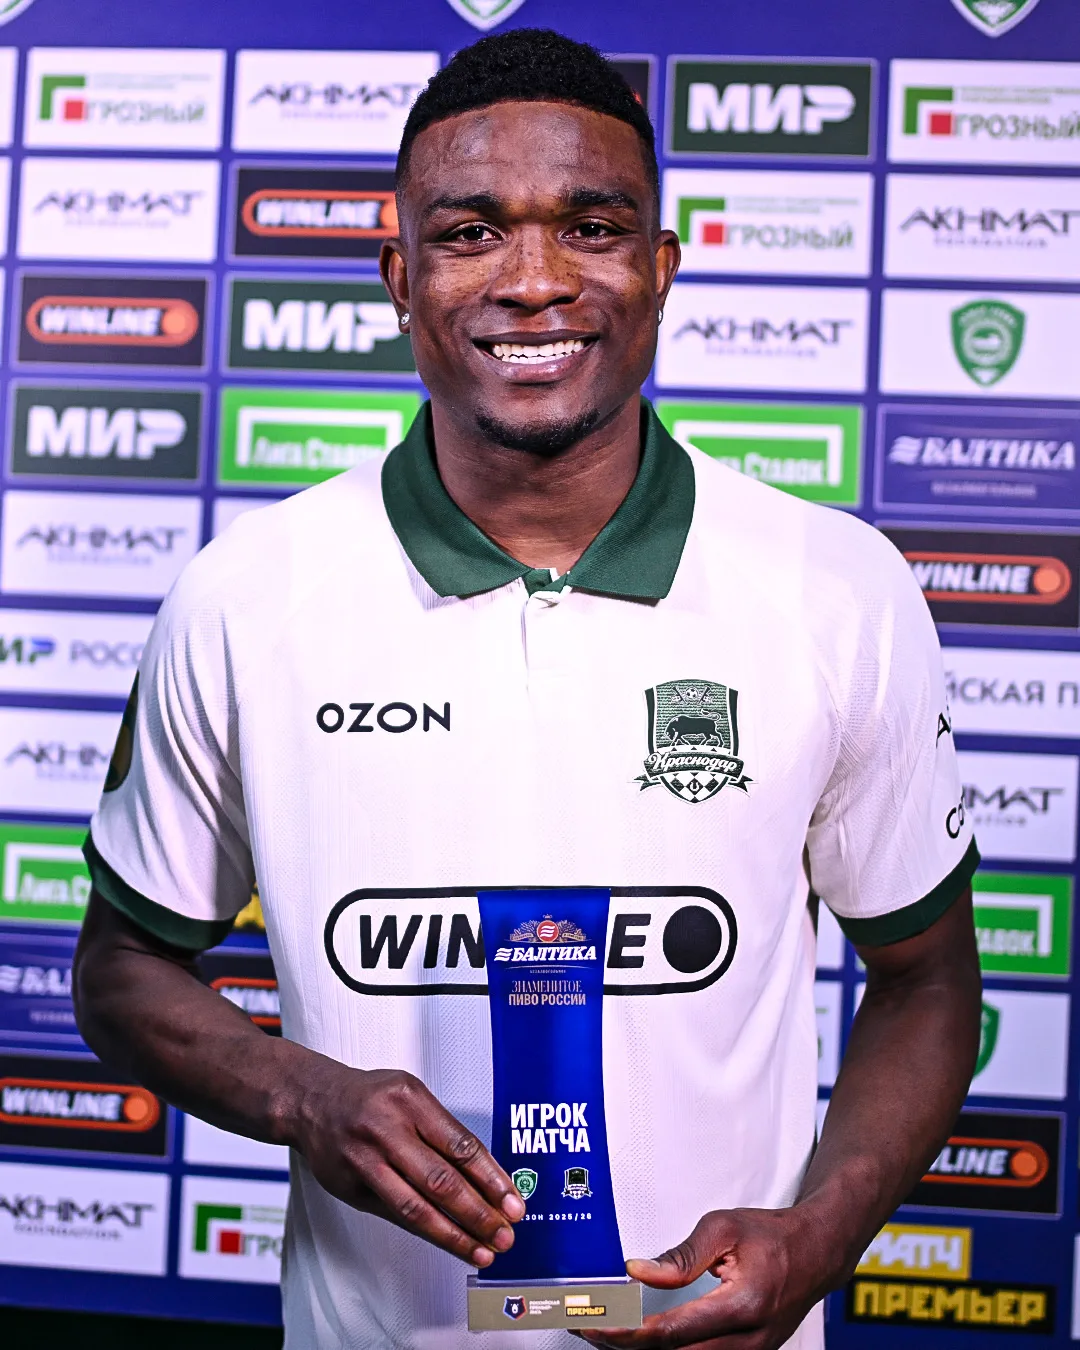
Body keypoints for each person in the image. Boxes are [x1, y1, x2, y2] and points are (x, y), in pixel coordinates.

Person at [73, 28, 981, 1350]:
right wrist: (300, 1095)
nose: (538, 280)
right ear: (401, 277)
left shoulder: (837, 588)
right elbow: (121, 966)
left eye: (592, 228)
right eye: (471, 233)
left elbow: (928, 980)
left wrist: (822, 1235)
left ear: (660, 268)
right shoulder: (247, 596)